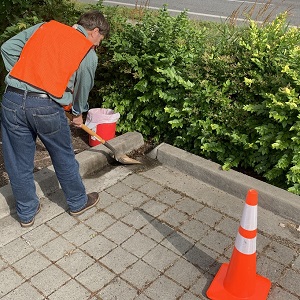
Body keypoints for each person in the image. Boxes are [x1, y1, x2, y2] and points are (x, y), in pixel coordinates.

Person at [0, 10, 110, 227]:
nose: (98, 45)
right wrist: (78, 113)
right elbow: (83, 87)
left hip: (11, 99)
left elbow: (7, 48)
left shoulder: (45, 27)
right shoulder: (87, 52)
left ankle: (26, 213)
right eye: (100, 40)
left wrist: (24, 75)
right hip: (45, 105)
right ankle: (78, 202)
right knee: (63, 155)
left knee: (17, 160)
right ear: (95, 31)